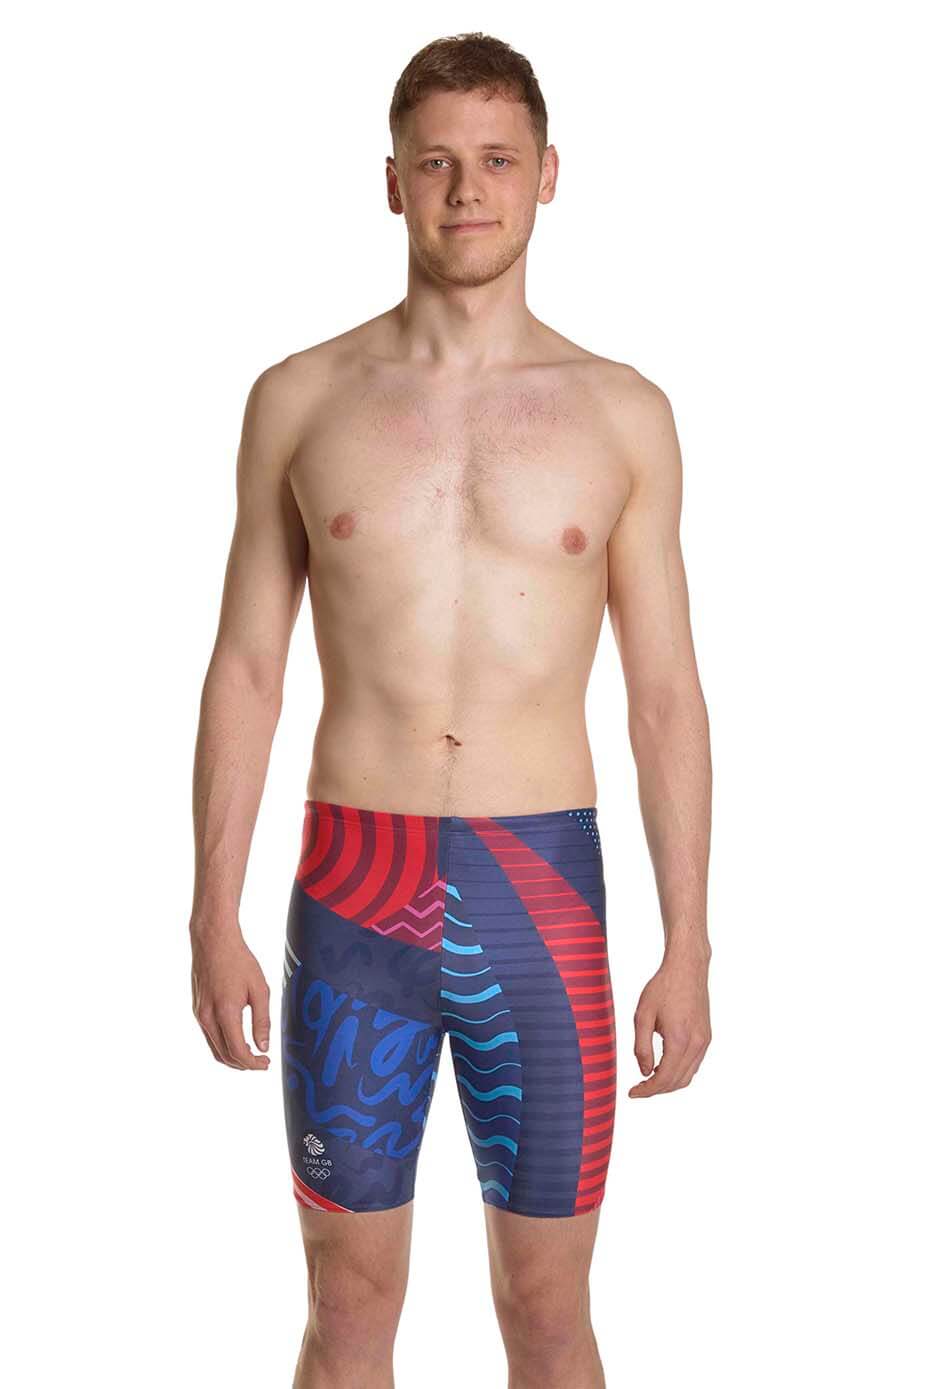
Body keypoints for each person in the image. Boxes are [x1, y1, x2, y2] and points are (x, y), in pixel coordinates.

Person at [189, 30, 712, 1389]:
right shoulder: (300, 399)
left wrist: (690, 941)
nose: (466, 190)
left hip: (539, 894)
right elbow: (246, 665)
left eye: (495, 160)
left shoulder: (621, 414)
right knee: (347, 1305)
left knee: (547, 1307)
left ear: (548, 175)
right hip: (353, 892)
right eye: (434, 163)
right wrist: (210, 910)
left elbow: (663, 695)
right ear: (391, 183)